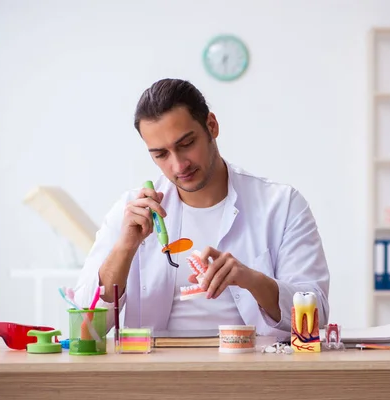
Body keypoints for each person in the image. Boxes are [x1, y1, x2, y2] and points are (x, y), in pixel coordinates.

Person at [74, 78, 330, 337]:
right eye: (161, 154)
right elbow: (85, 328)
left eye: (186, 144)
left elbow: (316, 314)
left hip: (254, 369)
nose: (178, 165)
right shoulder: (131, 211)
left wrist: (252, 280)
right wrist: (125, 248)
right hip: (155, 372)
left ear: (212, 125)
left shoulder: (282, 205)